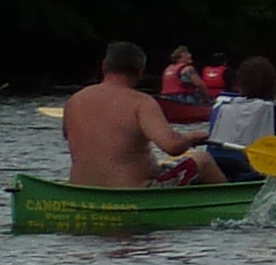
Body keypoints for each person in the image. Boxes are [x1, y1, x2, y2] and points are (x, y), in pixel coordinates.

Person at [62, 39, 204, 188]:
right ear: (141, 72)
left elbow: (68, 135)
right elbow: (173, 146)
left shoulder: (74, 100)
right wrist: (193, 137)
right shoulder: (141, 102)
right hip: (134, 191)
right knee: (203, 159)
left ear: (104, 66)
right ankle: (225, 205)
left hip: (83, 190)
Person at [200, 55, 276, 184]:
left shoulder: (221, 107)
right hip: (248, 172)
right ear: (272, 84)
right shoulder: (270, 112)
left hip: (218, 167)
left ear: (239, 83)